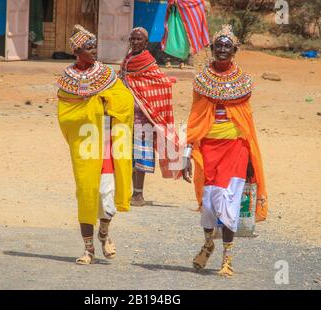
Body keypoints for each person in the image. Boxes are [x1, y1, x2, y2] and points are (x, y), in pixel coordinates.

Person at [182, 25, 268, 277]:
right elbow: (196, 116)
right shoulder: (201, 80)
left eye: (226, 46)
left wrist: (251, 158)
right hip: (207, 147)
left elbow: (246, 122)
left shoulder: (243, 82)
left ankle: (227, 259)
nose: (222, 50)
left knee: (228, 200)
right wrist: (188, 151)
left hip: (235, 148)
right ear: (212, 49)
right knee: (208, 203)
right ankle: (208, 244)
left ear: (234, 51)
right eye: (218, 46)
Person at [57, 25, 134, 265]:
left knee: (106, 195)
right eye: (89, 48)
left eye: (94, 46)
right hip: (84, 145)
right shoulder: (66, 79)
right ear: (77, 52)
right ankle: (88, 249)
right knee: (87, 194)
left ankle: (104, 232)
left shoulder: (107, 75)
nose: (94, 51)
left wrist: (104, 102)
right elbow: (65, 115)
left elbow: (125, 102)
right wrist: (88, 108)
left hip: (107, 144)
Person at [119, 27, 180, 207]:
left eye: (139, 39)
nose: (135, 42)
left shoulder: (147, 60)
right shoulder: (128, 58)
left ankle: (138, 194)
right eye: (133, 39)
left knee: (141, 154)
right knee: (128, 155)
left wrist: (145, 100)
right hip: (127, 114)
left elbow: (159, 82)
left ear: (146, 43)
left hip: (143, 115)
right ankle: (129, 192)